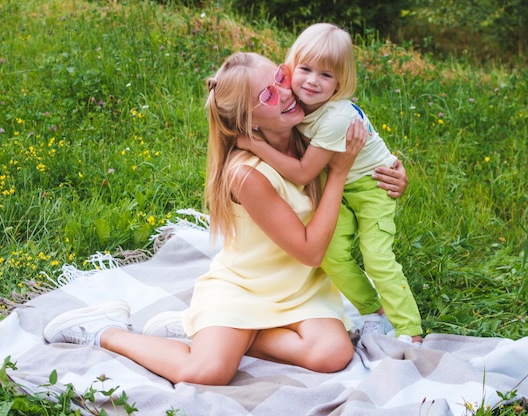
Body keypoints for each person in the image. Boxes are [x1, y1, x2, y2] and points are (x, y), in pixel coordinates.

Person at [43, 51, 407, 386]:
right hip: (245, 286)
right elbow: (312, 252)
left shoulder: (312, 135)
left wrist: (392, 177)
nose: (285, 92)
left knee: (333, 354)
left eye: (280, 77)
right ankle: (106, 331)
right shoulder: (247, 173)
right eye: (267, 95)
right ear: (246, 123)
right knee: (207, 372)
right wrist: (339, 173)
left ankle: (206, 332)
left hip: (303, 289)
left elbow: (368, 168)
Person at [237, 23, 423, 345]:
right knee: (332, 254)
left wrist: (254, 145)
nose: (312, 81)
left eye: (326, 75)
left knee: (377, 256)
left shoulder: (336, 116)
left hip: (371, 185)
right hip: (338, 186)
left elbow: (303, 173)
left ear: (340, 81)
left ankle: (410, 331)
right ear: (289, 68)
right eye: (305, 69)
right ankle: (374, 312)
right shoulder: (291, 97)